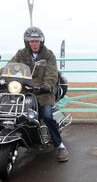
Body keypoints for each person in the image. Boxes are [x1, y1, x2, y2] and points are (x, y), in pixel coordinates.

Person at [9, 26, 69, 162]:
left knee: (47, 116)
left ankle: (60, 145)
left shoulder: (48, 55)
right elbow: (10, 65)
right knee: (13, 113)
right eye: (31, 41)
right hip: (24, 90)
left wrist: (47, 86)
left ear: (41, 41)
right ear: (27, 42)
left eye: (37, 41)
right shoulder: (21, 54)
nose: (34, 44)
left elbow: (52, 73)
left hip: (43, 92)